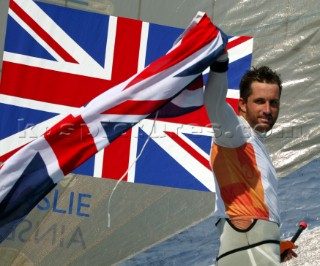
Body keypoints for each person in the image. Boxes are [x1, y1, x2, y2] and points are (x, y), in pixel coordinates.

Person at [204, 51, 297, 265]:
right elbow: (214, 103)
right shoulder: (236, 133)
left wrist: (272, 245)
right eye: (260, 101)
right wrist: (220, 62)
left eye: (273, 103)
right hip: (247, 245)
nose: (267, 110)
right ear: (243, 105)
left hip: (252, 246)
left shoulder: (253, 143)